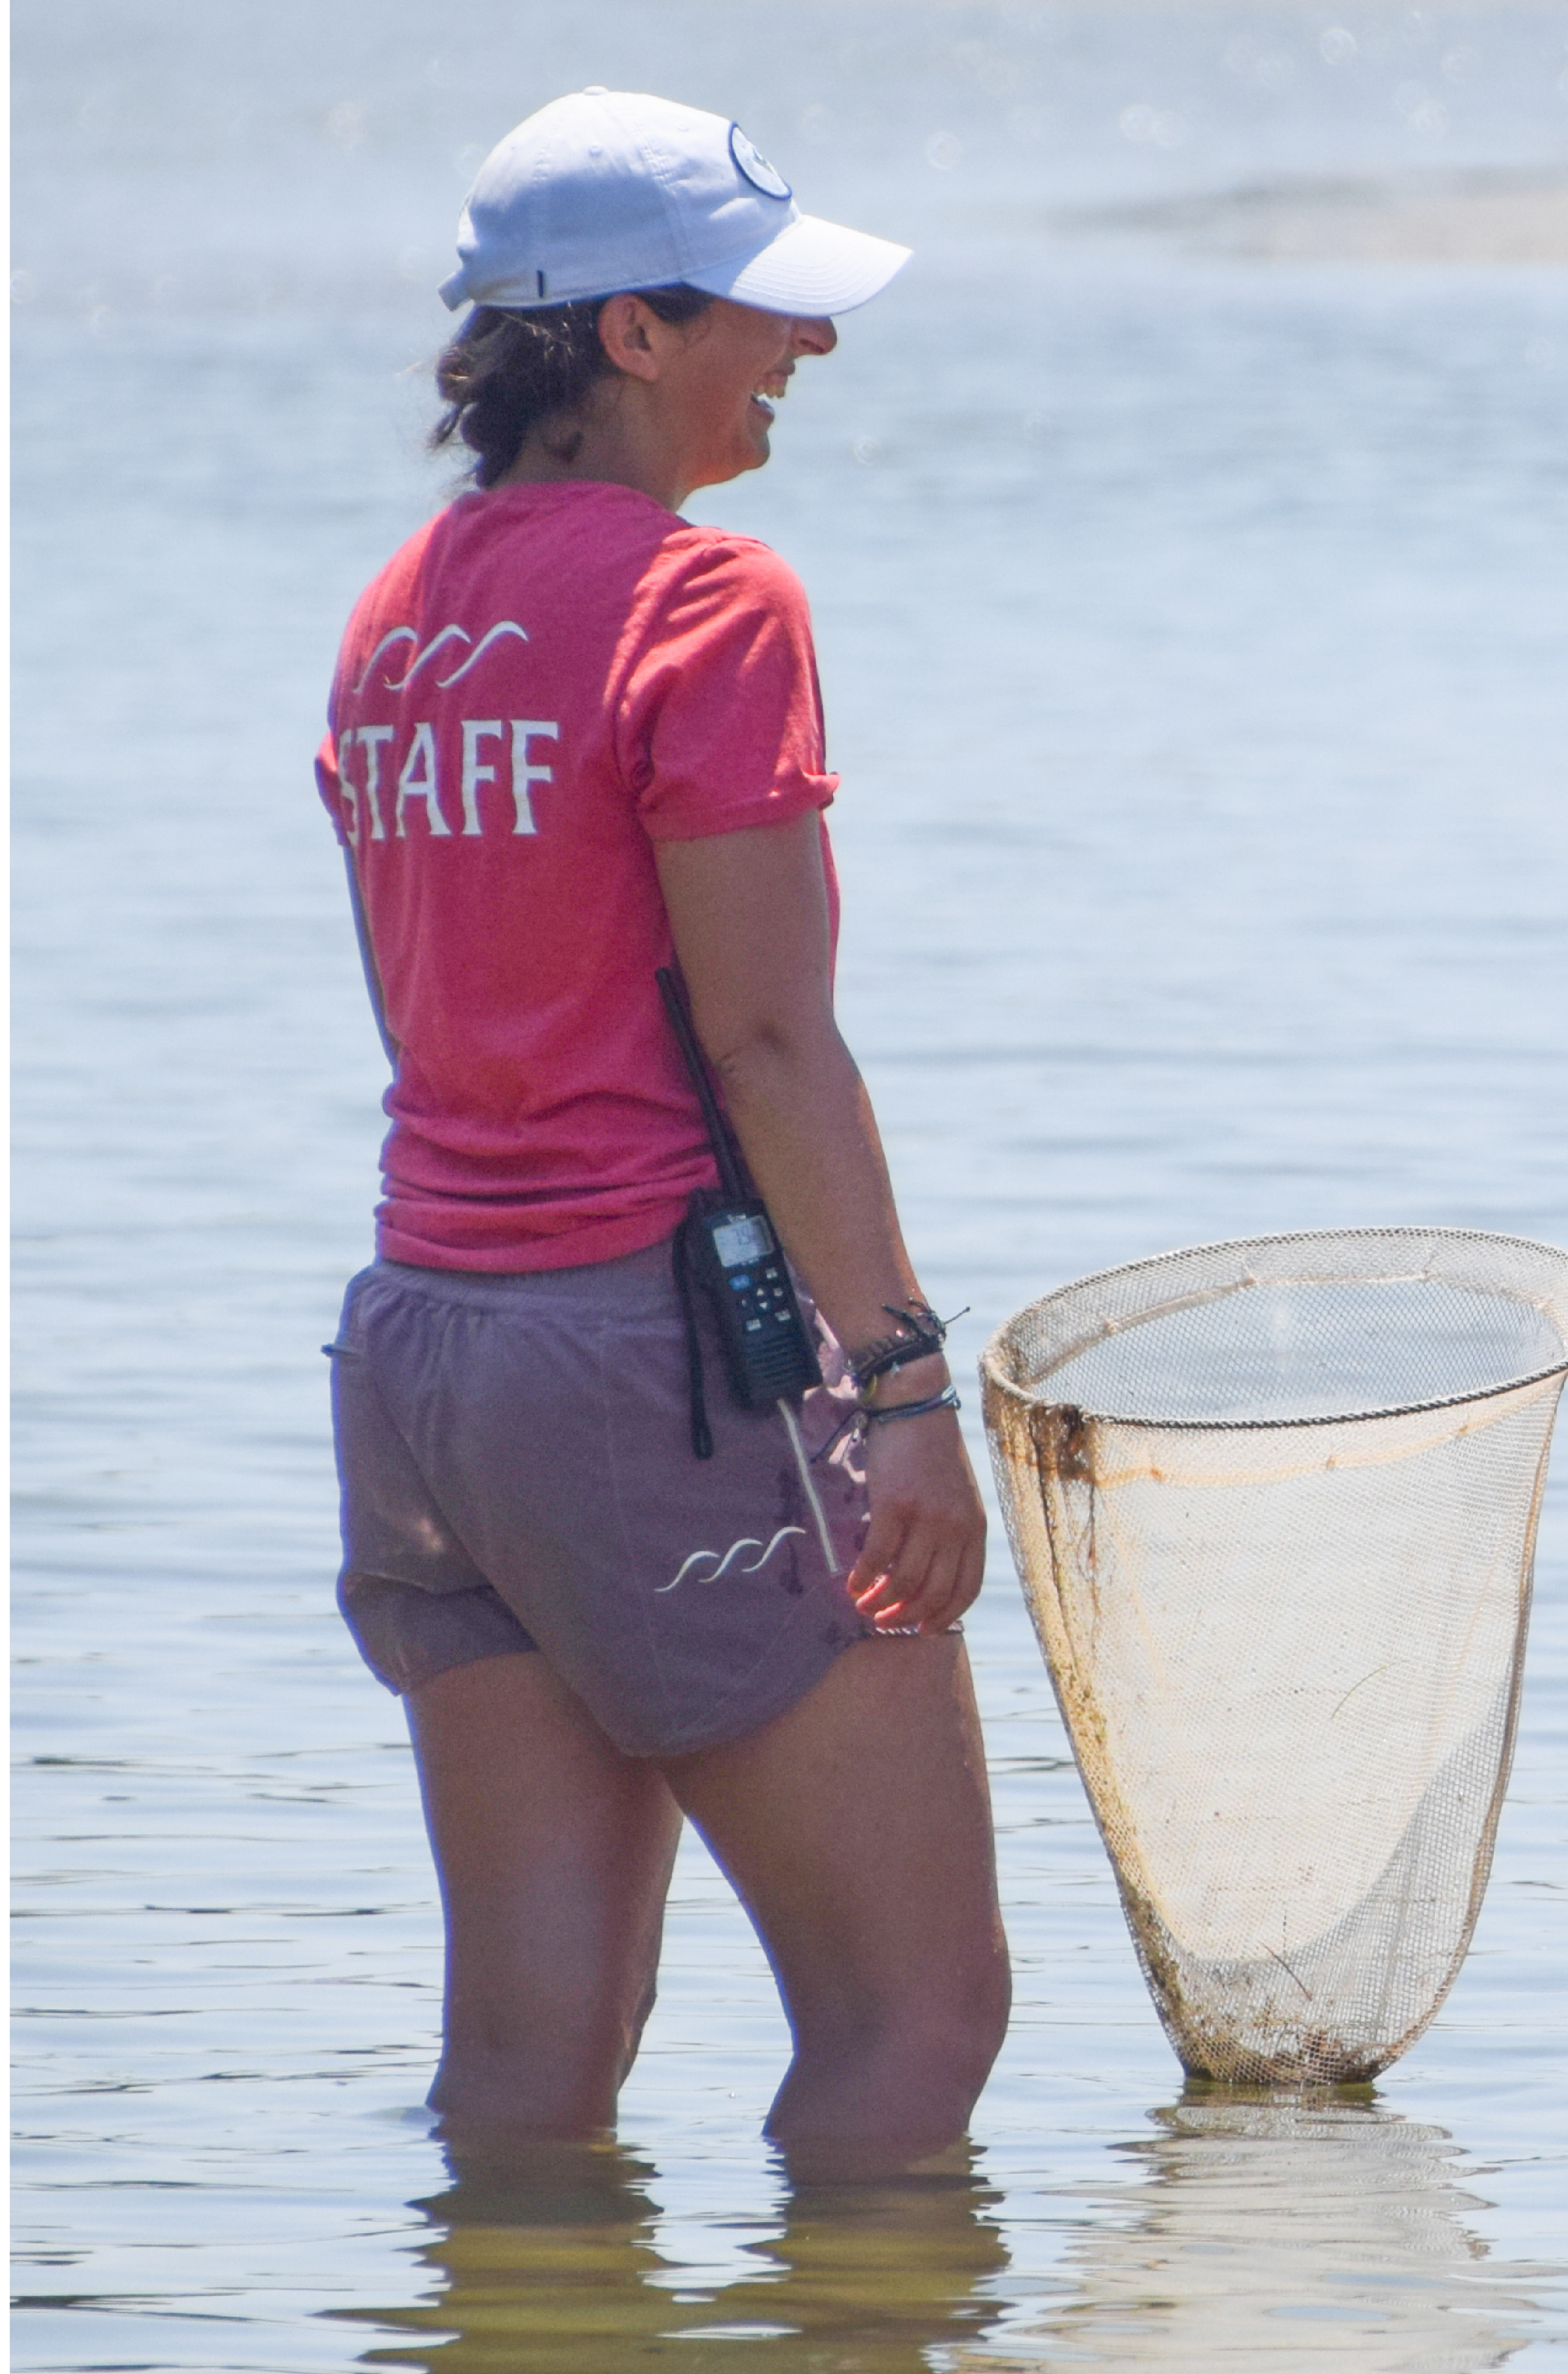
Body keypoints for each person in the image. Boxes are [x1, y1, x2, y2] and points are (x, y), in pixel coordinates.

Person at [317, 89, 1009, 2178]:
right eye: (764, 315)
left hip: (428, 1363)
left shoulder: (397, 617)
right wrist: (900, 1385)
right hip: (649, 1362)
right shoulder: (708, 606)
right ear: (629, 334)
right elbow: (773, 1043)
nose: (804, 352)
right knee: (920, 2016)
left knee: (533, 2067)